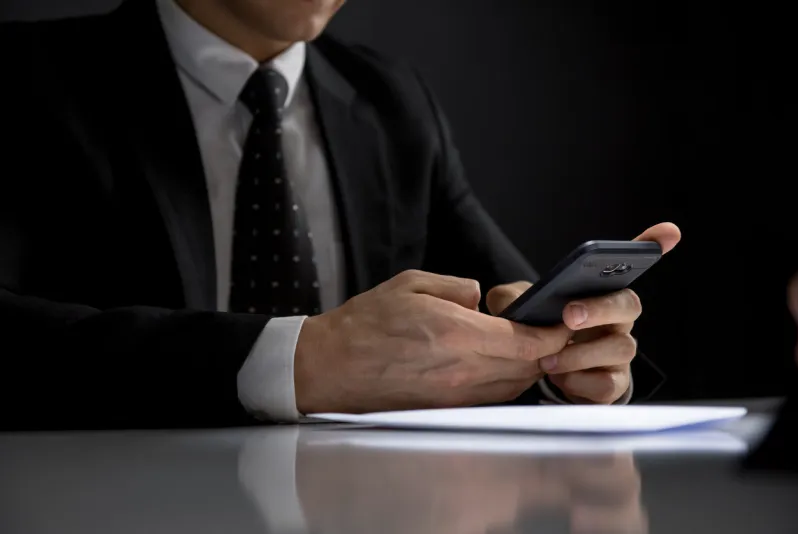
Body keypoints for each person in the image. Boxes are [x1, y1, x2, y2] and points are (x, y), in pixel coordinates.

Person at [0, 0, 681, 430]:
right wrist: (302, 361)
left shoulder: (390, 101)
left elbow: (513, 302)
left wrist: (570, 366)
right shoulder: (27, 77)